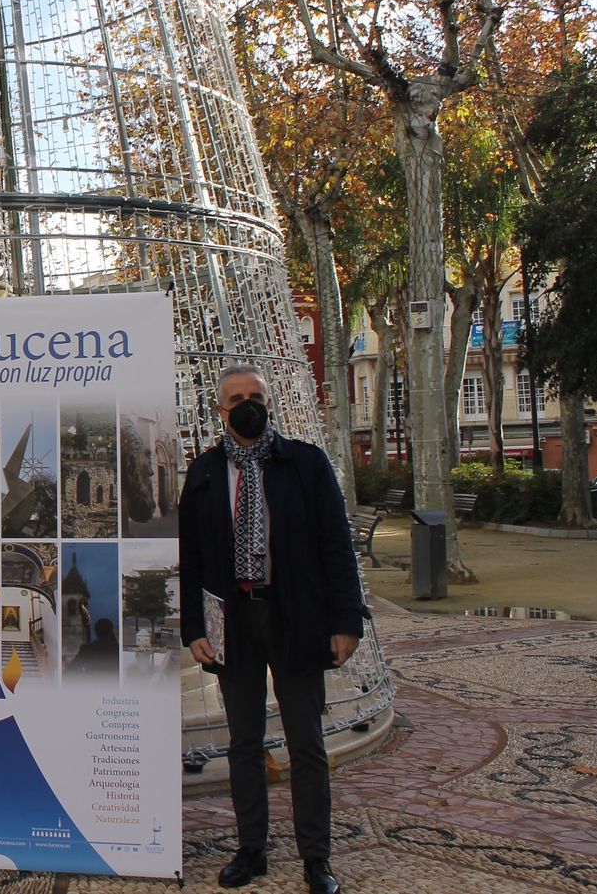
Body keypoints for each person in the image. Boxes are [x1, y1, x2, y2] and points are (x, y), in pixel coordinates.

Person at [178, 364, 365, 894]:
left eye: (255, 395)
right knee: (243, 742)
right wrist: (195, 627)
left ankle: (316, 858)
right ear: (220, 409)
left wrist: (345, 622)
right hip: (233, 621)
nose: (247, 404)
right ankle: (251, 849)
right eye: (236, 397)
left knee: (306, 742)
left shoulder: (305, 464)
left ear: (270, 401)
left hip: (296, 617)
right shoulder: (206, 472)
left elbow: (336, 546)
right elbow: (191, 559)